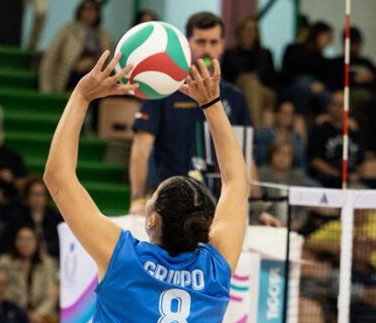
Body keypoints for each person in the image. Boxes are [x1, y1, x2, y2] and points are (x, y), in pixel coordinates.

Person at [45, 50, 248, 323]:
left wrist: (82, 95)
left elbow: (58, 177)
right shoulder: (216, 268)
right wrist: (211, 105)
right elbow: (238, 182)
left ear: (150, 220)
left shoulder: (122, 257)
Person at [129, 12, 252, 211]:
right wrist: (136, 199)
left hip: (221, 205)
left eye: (213, 42)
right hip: (170, 204)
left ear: (222, 45)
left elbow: (246, 155)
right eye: (200, 42)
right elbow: (141, 147)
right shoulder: (164, 89)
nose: (207, 49)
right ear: (187, 44)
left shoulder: (236, 98)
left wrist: (254, 206)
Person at [38, 0, 112, 93]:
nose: (89, 14)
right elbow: (50, 58)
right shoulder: (68, 31)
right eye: (86, 10)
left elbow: (110, 61)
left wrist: (91, 63)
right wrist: (46, 88)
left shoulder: (103, 36)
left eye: (92, 11)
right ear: (80, 12)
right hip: (71, 78)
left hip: (96, 80)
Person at [0, 226, 58, 323]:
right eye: (21, 239)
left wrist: (38, 314)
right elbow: (5, 294)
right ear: (15, 241)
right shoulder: (5, 263)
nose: (24, 244)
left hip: (40, 314)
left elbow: (50, 296)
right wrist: (25, 314)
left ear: (36, 242)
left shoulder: (47, 264)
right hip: (14, 312)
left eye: (29, 239)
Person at [221, 15, 277, 129]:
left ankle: (253, 132)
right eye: (245, 29)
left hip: (264, 90)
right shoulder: (230, 54)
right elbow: (227, 77)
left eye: (252, 29)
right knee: (250, 86)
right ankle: (256, 133)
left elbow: (272, 78)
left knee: (253, 87)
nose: (248, 32)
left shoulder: (265, 53)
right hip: (237, 89)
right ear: (239, 32)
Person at [252, 139, 318, 228]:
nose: (282, 158)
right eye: (278, 153)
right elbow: (257, 206)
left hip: (293, 229)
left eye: (286, 154)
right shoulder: (260, 175)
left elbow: (304, 208)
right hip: (267, 226)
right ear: (271, 154)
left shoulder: (298, 178)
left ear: (292, 158)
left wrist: (297, 223)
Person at [307, 91, 363, 188]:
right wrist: (340, 175)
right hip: (329, 177)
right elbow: (315, 161)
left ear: (349, 108)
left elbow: (361, 159)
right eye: (334, 104)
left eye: (342, 105)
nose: (338, 108)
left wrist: (357, 174)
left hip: (352, 176)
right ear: (328, 107)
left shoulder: (354, 130)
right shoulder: (320, 129)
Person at [279, 21, 333, 116]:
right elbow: (285, 73)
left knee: (327, 97)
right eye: (327, 37)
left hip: (316, 89)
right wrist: (309, 85)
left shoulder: (324, 60)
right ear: (317, 35)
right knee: (303, 87)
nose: (329, 41)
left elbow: (327, 79)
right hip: (292, 86)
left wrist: (320, 86)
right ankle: (299, 120)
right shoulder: (293, 49)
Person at [6, 177, 62, 258]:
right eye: (34, 194)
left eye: (41, 194)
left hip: (50, 259)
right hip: (21, 258)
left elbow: (59, 243)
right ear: (27, 196)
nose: (38, 199)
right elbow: (9, 241)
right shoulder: (17, 217)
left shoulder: (55, 218)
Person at [255, 100, 306, 167]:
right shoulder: (266, 133)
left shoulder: (296, 137)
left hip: (291, 174)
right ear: (277, 114)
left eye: (290, 114)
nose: (286, 116)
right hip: (267, 172)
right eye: (284, 113)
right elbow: (260, 157)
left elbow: (300, 161)